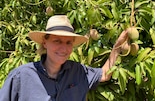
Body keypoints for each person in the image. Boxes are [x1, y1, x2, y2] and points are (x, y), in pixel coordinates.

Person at [0, 15, 128, 101]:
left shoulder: (78, 72)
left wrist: (117, 47)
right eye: (57, 41)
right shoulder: (21, 76)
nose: (64, 48)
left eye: (68, 43)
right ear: (45, 42)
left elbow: (105, 74)